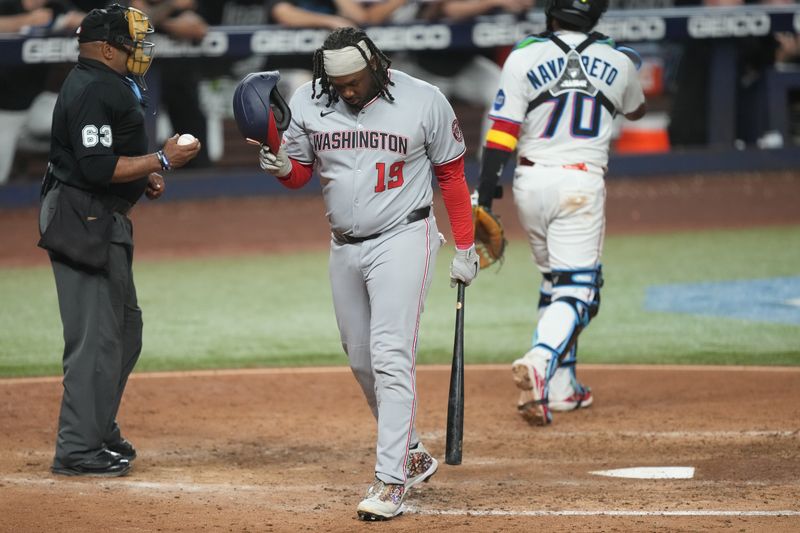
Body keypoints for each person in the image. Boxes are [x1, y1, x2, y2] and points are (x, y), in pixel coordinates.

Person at [257, 27, 479, 520]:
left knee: (390, 355)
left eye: (356, 81)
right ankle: (413, 452)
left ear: (375, 65)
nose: (349, 92)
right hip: (344, 246)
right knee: (360, 360)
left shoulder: (424, 100)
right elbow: (299, 173)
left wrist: (466, 246)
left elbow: (451, 175)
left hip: (405, 236)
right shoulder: (310, 101)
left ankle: (390, 481)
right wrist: (279, 166)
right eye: (341, 85)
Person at [38, 3, 200, 476]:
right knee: (95, 340)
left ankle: (96, 429)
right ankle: (77, 450)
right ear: (107, 47)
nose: (140, 51)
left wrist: (141, 175)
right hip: (81, 216)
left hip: (101, 214)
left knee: (124, 333)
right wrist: (160, 161)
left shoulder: (105, 81)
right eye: (132, 43)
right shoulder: (91, 86)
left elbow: (108, 158)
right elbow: (94, 167)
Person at [475, 0, 646, 425]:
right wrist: (622, 66)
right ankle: (540, 360)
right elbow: (636, 109)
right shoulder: (617, 60)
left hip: (529, 184)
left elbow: (500, 134)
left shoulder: (524, 55)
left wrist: (485, 197)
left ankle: (562, 389)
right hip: (579, 184)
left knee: (556, 283)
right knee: (582, 292)